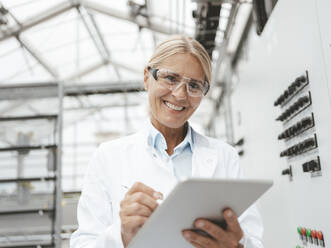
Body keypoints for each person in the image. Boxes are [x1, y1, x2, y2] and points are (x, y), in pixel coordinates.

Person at [70, 35, 263, 248]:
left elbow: (254, 239)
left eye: (194, 85)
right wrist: (122, 235)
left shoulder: (224, 156)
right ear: (147, 78)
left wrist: (236, 246)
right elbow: (83, 244)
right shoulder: (108, 157)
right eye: (170, 78)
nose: (180, 95)